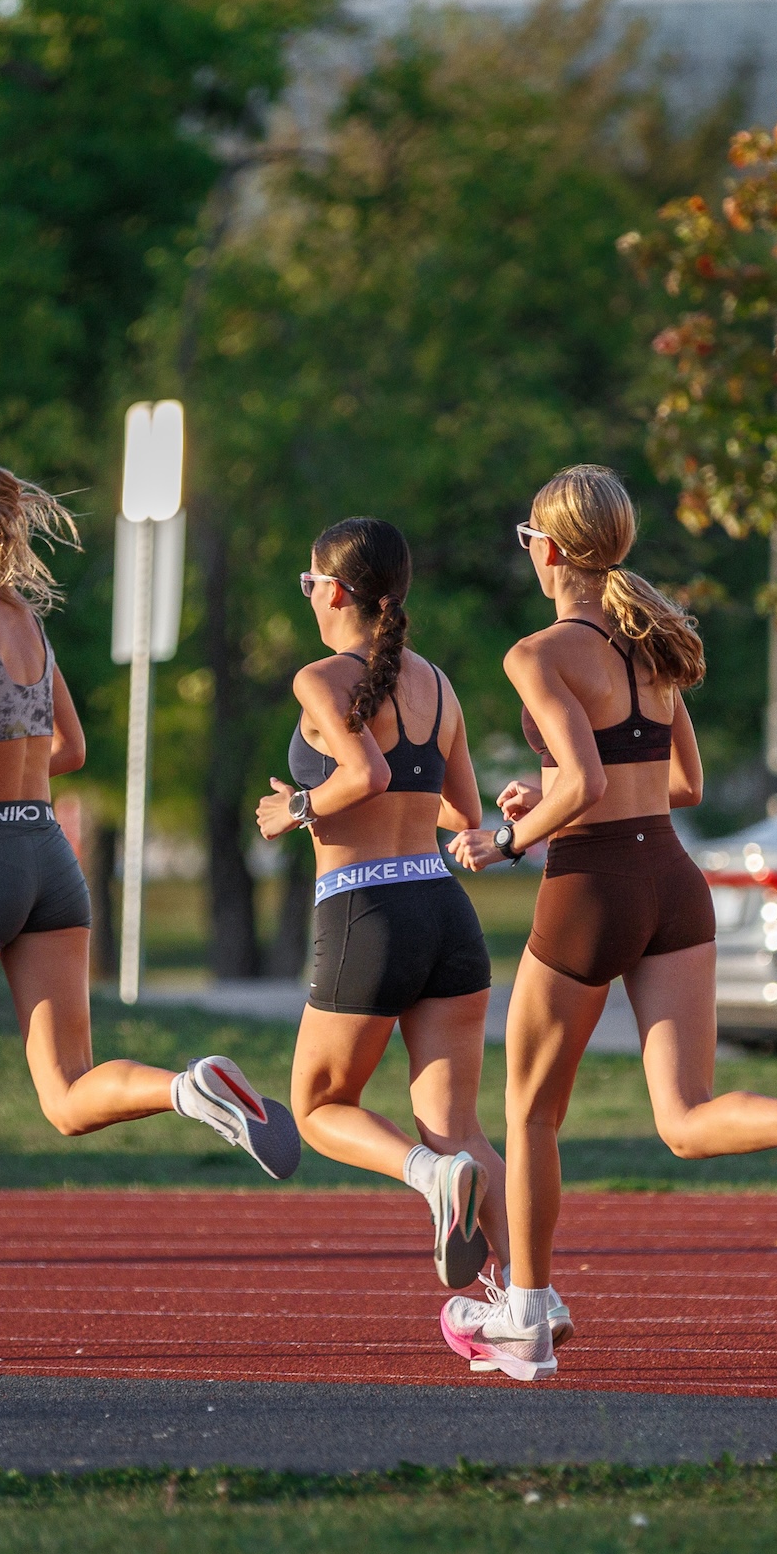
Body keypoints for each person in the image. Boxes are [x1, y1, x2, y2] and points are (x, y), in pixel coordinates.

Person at [0, 459, 301, 1364]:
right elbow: (65, 747)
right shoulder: (23, 620)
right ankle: (185, 1088)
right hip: (47, 854)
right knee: (67, 1094)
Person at [451, 465, 777, 1381]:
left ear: (551, 550)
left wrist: (508, 835)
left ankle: (527, 1313)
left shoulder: (537, 653)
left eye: (527, 539)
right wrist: (546, 793)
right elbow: (678, 784)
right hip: (673, 881)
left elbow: (585, 783)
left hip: (593, 886)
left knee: (529, 1112)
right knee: (684, 1117)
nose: (527, 553)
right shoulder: (647, 640)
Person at [254, 518, 504, 1292]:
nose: (307, 596)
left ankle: (429, 1176)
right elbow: (461, 812)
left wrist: (295, 808)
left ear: (334, 592)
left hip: (366, 911)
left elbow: (366, 775)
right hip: (443, 911)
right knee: (462, 1130)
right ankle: (530, 1297)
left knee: (318, 1106)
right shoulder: (436, 682)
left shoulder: (319, 678)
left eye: (308, 583)